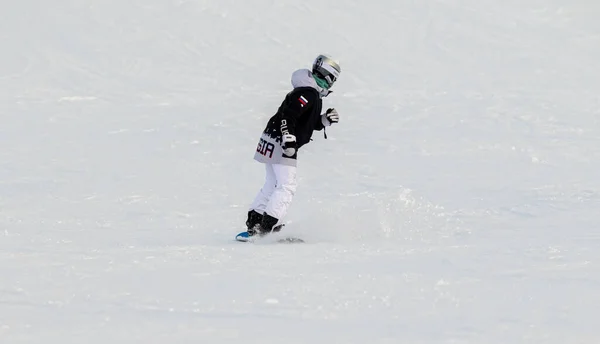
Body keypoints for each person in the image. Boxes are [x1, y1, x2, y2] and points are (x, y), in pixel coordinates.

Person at [244, 54, 341, 237]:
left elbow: (306, 123)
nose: (332, 84)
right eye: (333, 79)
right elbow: (289, 115)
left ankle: (255, 223)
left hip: (273, 138)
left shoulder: (309, 92)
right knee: (287, 186)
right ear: (328, 76)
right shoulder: (309, 93)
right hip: (282, 142)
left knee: (272, 183)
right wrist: (288, 137)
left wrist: (325, 120)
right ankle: (267, 228)